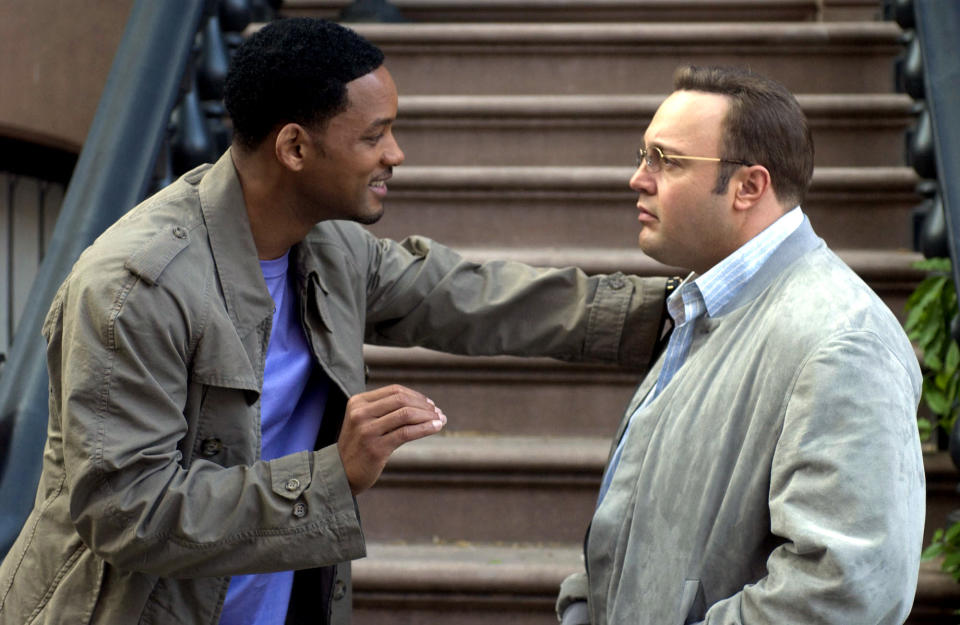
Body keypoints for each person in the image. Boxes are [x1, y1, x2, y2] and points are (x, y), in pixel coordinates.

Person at [0, 18, 670, 625]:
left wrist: (667, 311)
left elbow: (465, 295)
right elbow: (126, 510)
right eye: (374, 135)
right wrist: (329, 476)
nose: (396, 154)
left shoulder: (328, 244)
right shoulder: (137, 286)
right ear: (295, 147)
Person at [556, 65, 925, 625]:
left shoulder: (844, 341)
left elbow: (846, 591)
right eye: (643, 155)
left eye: (667, 160)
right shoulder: (704, 302)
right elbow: (635, 513)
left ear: (749, 186)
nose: (638, 178)